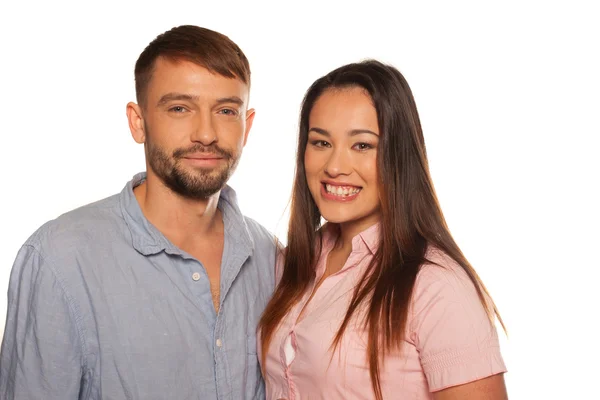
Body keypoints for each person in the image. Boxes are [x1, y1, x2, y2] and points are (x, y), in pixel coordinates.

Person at [0, 25, 276, 399]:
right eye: (180, 108)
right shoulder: (60, 259)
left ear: (246, 126)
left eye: (226, 110)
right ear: (138, 122)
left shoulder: (272, 257)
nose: (207, 133)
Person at [258, 60, 508, 399]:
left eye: (362, 145)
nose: (334, 166)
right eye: (320, 143)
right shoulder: (291, 263)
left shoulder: (437, 287)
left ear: (398, 155)